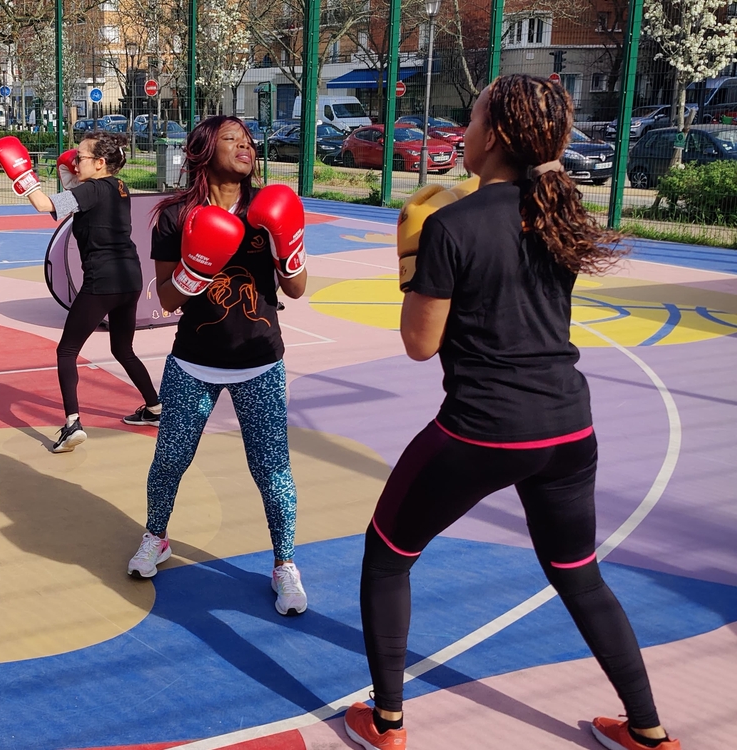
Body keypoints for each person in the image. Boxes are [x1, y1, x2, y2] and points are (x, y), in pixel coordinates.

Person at [343, 74, 681, 750]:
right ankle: (649, 730)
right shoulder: (559, 209)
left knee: (387, 556)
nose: (461, 132)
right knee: (578, 571)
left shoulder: (450, 223)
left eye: (469, 120)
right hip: (569, 425)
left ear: (494, 136)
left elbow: (419, 345)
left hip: (484, 428)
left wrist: (413, 260)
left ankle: (386, 724)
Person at [124, 116, 311, 616]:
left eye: (249, 139)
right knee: (169, 462)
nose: (245, 145)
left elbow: (296, 289)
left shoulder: (269, 208)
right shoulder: (174, 215)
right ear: (206, 150)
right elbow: (164, 298)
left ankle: (285, 565)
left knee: (272, 471)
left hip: (260, 360)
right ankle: (156, 537)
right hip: (193, 362)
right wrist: (195, 271)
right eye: (232, 138)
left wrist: (287, 251)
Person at [0, 132, 161, 452]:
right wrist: (73, 183)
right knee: (123, 350)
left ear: (100, 163)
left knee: (67, 351)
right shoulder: (119, 186)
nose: (74, 160)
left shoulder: (91, 188)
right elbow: (85, 206)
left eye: (81, 157)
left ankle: (72, 425)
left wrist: (21, 174)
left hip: (103, 281)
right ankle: (154, 408)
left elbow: (44, 204)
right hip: (131, 278)